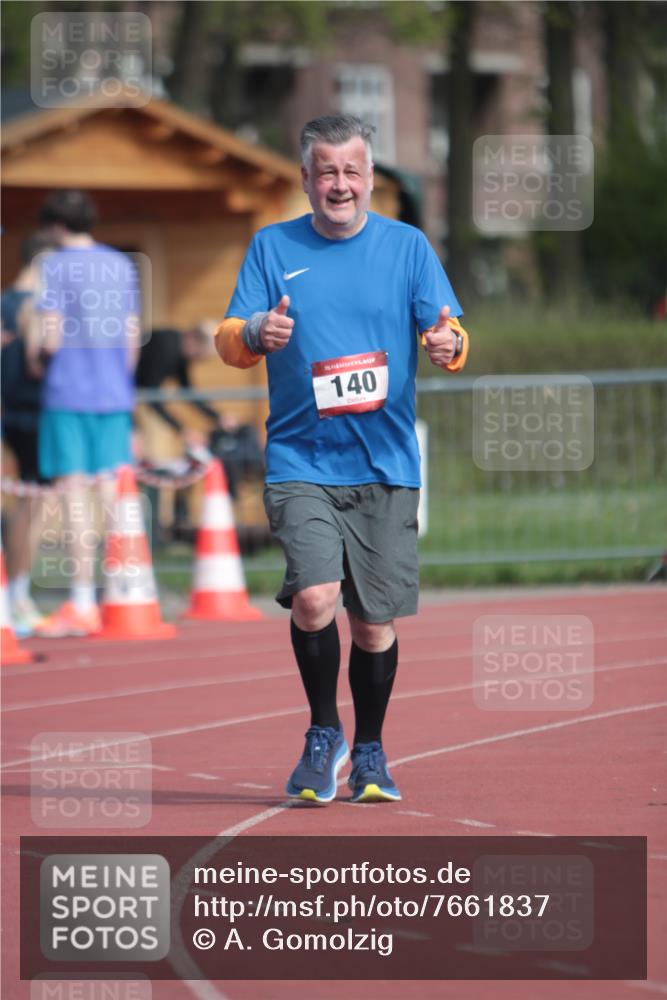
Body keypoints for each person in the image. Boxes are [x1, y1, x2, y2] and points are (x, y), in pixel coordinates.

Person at [216, 115, 469, 804]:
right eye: (325, 171)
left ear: (369, 177)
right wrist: (253, 333)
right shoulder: (272, 247)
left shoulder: (406, 246)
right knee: (313, 596)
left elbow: (444, 329)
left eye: (351, 171)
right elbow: (228, 337)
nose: (339, 184)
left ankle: (370, 749)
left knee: (372, 622)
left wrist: (450, 345)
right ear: (304, 179)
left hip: (384, 463)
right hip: (301, 458)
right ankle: (323, 732)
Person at [25, 189, 140, 638]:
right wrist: (119, 379)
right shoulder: (120, 264)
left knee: (74, 500)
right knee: (115, 497)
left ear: (54, 226)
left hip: (68, 392)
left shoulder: (51, 266)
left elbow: (50, 334)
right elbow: (131, 335)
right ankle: (124, 590)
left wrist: (35, 359)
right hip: (113, 392)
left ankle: (81, 601)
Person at [1, 231, 57, 635]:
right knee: (34, 502)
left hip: (17, 412)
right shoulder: (33, 305)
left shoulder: (6, 300)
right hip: (29, 412)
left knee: (28, 502)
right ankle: (17, 595)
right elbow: (37, 362)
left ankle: (17, 593)